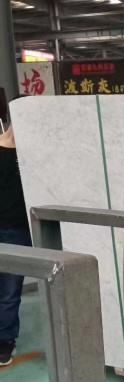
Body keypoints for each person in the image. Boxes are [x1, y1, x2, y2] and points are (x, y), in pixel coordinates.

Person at [0, 101, 31, 366]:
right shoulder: (7, 150)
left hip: (18, 228)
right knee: (8, 291)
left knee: (9, 292)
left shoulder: (31, 152)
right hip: (10, 226)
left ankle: (4, 341)